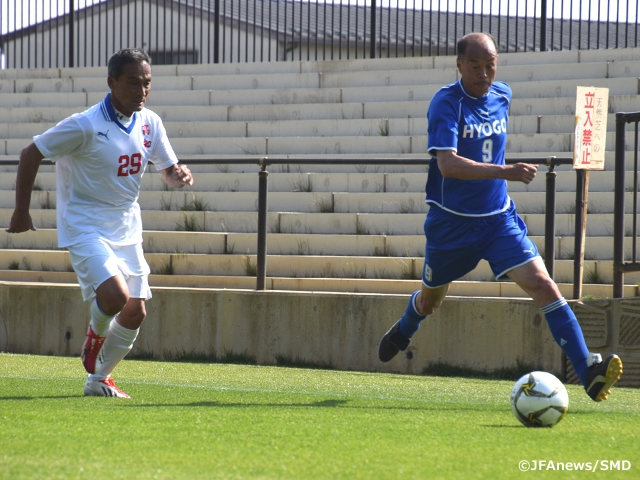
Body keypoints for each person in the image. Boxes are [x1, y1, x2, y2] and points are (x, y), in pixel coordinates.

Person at [378, 32, 623, 402]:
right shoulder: (446, 103)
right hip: (451, 224)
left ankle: (588, 370)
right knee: (430, 302)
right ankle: (406, 325)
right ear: (459, 65)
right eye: (474, 66)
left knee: (543, 284)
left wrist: (500, 178)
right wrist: (505, 171)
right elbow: (447, 165)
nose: (483, 74)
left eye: (489, 66)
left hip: (497, 220)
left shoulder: (502, 94)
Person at [6, 48, 193, 398]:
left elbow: (167, 169)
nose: (142, 90)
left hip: (126, 225)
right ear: (112, 82)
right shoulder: (86, 124)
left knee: (135, 312)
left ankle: (99, 379)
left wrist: (178, 175)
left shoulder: (150, 122)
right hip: (85, 224)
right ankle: (95, 334)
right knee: (115, 296)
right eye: (133, 82)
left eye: (147, 83)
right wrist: (21, 210)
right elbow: (31, 153)